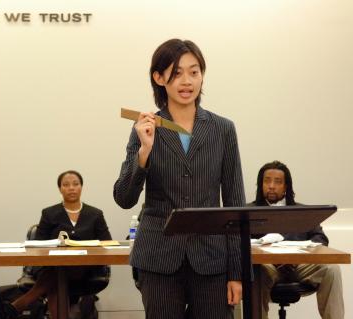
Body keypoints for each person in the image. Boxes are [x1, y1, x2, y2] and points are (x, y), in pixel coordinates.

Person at [114, 39, 245, 319]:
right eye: (176, 73)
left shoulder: (223, 129)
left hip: (211, 259)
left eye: (194, 72)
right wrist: (144, 152)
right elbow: (123, 198)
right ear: (159, 78)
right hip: (159, 257)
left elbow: (235, 203)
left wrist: (237, 272)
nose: (186, 81)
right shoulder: (145, 127)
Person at [4, 170, 112, 319]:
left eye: (75, 184)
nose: (71, 188)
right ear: (60, 189)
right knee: (58, 273)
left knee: (57, 276)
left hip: (86, 269)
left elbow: (107, 242)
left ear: (82, 187)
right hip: (51, 266)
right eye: (66, 185)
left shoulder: (95, 214)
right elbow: (37, 244)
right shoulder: (49, 213)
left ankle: (20, 304)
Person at [251, 160, 344, 319]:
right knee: (256, 271)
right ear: (260, 185)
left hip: (300, 265)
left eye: (278, 182)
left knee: (332, 269)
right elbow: (239, 242)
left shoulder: (303, 211)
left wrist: (298, 257)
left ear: (286, 187)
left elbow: (320, 238)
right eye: (267, 181)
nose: (271, 185)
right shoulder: (248, 212)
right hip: (268, 268)